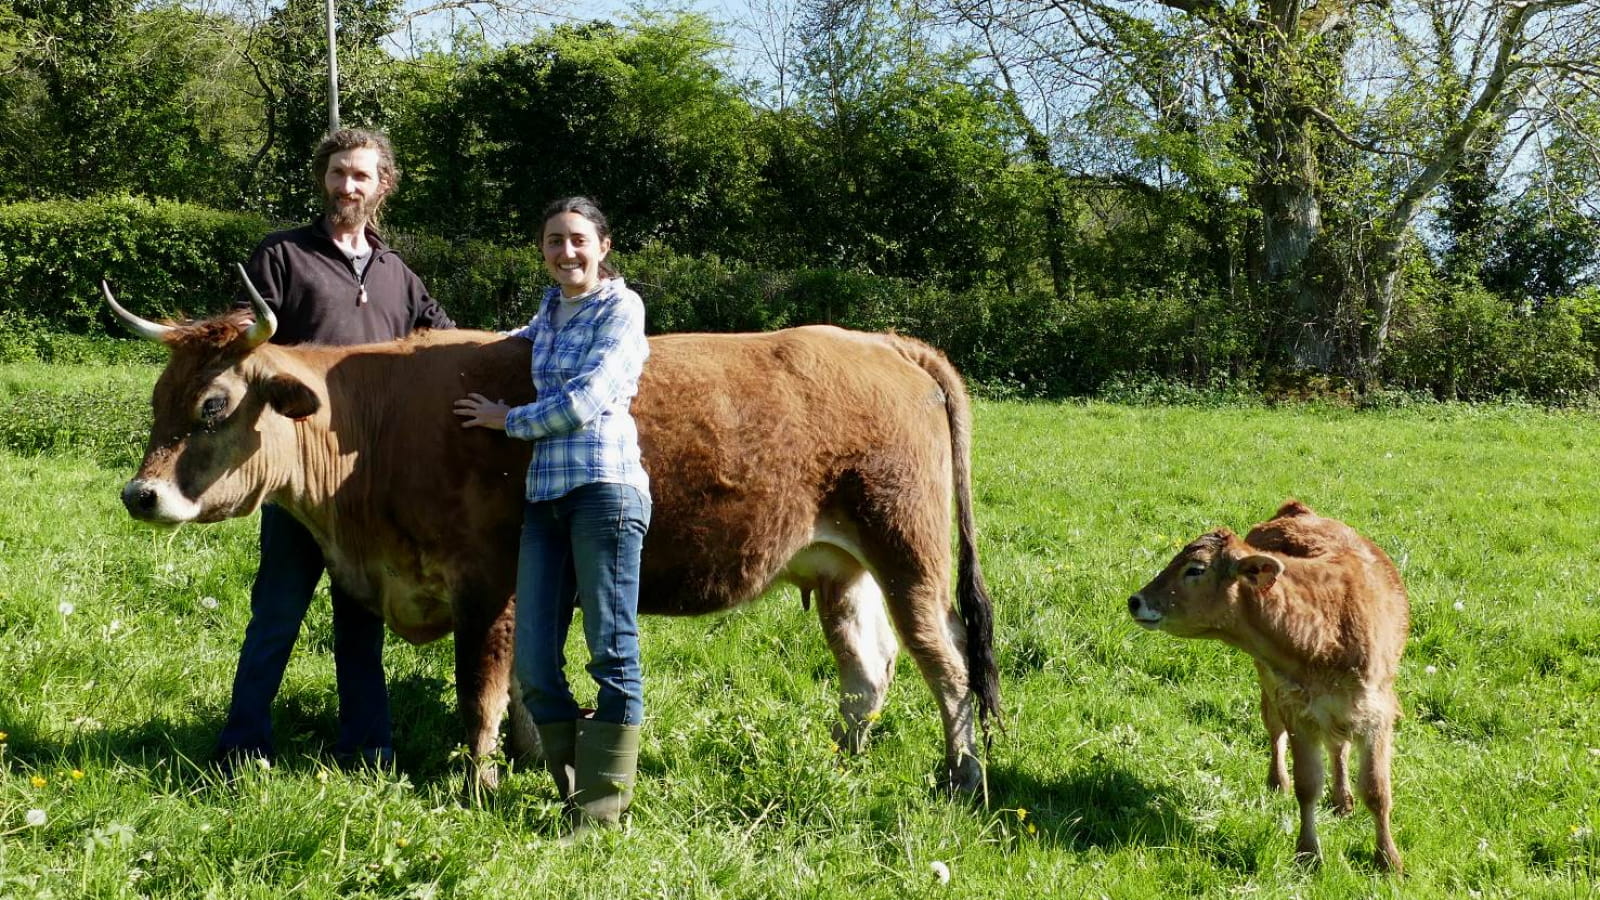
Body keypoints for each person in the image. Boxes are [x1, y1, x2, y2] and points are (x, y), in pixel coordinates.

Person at [217, 128, 454, 772]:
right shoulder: (283, 256)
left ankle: (368, 747)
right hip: (295, 479)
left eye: (362, 176)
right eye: (339, 173)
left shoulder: (397, 274)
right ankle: (241, 744)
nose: (348, 186)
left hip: (366, 481)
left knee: (361, 618)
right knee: (277, 611)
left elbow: (444, 340)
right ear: (324, 178)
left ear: (383, 186)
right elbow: (242, 342)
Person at [453, 196, 651, 833]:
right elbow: (513, 344)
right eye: (553, 241)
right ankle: (573, 791)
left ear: (603, 246)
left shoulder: (621, 307)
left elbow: (587, 400)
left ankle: (602, 809)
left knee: (611, 651)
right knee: (535, 661)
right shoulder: (550, 309)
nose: (565, 252)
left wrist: (504, 420)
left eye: (577, 240)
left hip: (605, 492)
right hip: (544, 499)